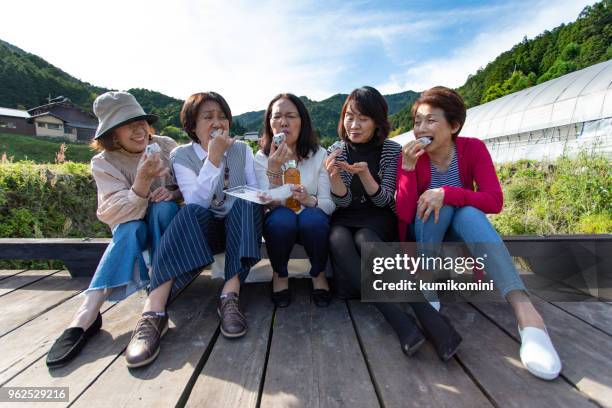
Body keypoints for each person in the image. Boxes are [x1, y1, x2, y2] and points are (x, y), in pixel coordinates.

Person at [396, 86, 562, 380]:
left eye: (430, 120)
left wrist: (446, 192)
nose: (420, 128)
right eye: (417, 122)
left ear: (454, 125)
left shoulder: (473, 149)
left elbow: (494, 201)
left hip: (462, 232)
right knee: (440, 206)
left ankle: (527, 313)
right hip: (426, 238)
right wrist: (408, 172)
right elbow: (406, 214)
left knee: (465, 209)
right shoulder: (412, 158)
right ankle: (425, 281)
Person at [123, 91, 263, 368]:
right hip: (205, 231)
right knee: (192, 210)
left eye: (222, 116)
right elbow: (196, 199)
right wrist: (212, 159)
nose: (217, 123)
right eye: (208, 117)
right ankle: (154, 312)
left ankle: (229, 295)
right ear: (192, 126)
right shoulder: (182, 155)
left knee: (248, 203)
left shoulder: (242, 150)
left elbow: (255, 190)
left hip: (239, 226)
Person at [325, 86, 462, 360]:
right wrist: (335, 179)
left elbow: (387, 201)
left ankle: (422, 314)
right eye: (349, 117)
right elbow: (340, 202)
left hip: (378, 218)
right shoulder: (336, 150)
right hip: (345, 216)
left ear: (377, 122)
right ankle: (400, 320)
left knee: (365, 239)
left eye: (363, 118)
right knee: (337, 238)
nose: (354, 124)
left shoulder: (390, 150)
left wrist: (365, 177)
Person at [46, 91, 180, 368]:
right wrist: (142, 182)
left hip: (169, 237)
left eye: (141, 120)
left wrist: (173, 193)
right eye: (128, 123)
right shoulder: (104, 162)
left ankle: (158, 289)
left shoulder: (166, 145)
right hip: (135, 237)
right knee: (129, 227)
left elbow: (192, 188)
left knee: (164, 208)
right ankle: (87, 313)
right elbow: (110, 213)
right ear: (111, 133)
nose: (139, 128)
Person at [255, 93, 334, 307]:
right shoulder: (262, 157)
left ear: (302, 121)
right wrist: (273, 170)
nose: (283, 122)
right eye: (277, 116)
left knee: (314, 220)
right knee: (281, 219)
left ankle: (318, 273)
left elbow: (329, 203)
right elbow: (264, 202)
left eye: (291, 116)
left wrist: (309, 199)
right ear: (269, 123)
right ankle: (280, 274)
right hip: (279, 219)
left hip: (310, 214)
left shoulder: (319, 155)